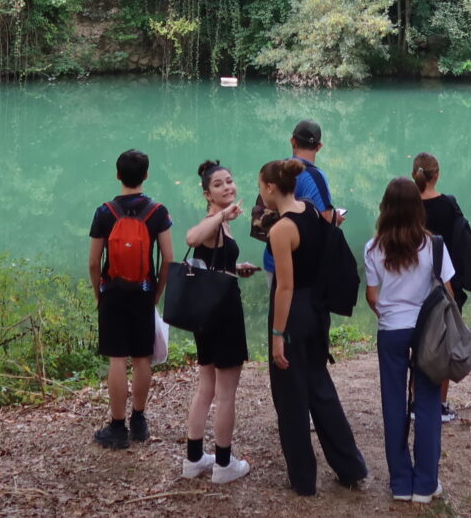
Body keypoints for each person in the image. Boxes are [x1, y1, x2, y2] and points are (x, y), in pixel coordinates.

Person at [261, 158, 367, 496]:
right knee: (320, 388)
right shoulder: (309, 209)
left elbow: (285, 287)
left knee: (290, 397)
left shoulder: (281, 231)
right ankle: (350, 467)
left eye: (260, 186)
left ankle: (303, 480)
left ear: (270, 188)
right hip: (318, 310)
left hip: (293, 314)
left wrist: (278, 335)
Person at [365, 176, 453, 503]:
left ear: (385, 208)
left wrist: (388, 314)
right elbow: (449, 293)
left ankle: (401, 482)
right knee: (428, 402)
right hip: (427, 330)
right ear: (418, 208)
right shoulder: (434, 245)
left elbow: (372, 297)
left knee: (393, 403)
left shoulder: (373, 248)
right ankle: (426, 484)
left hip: (391, 331)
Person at [87, 149, 173, 449]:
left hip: (113, 294)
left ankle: (117, 427)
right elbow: (168, 260)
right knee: (141, 358)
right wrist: (156, 292)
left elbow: (93, 263)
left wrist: (99, 294)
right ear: (146, 176)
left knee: (117, 359)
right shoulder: (157, 212)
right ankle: (139, 420)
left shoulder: (104, 212)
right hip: (143, 294)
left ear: (118, 174)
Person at [180, 160, 258, 482]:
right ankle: (224, 465)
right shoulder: (214, 220)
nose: (228, 187)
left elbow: (213, 264)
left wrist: (236, 267)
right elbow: (191, 238)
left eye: (230, 181)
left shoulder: (222, 225)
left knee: (207, 388)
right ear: (207, 193)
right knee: (225, 393)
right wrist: (221, 216)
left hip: (208, 312)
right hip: (223, 313)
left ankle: (194, 459)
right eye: (219, 184)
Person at [414, 151, 466, 422]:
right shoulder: (449, 205)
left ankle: (414, 402)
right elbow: (460, 242)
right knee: (443, 341)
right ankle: (440, 404)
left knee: (417, 344)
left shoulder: (408, 205)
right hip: (444, 280)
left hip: (413, 284)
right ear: (438, 174)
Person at [262, 119, 343, 278]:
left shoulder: (275, 170)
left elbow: (264, 210)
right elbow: (325, 223)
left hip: (272, 260)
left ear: (293, 141)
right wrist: (336, 220)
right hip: (299, 266)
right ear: (319, 146)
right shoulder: (316, 177)